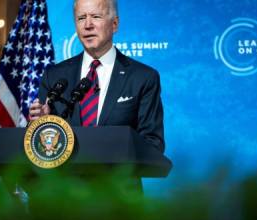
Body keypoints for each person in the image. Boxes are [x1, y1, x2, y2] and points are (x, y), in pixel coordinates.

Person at [29, 0, 164, 153]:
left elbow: (153, 143)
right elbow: (41, 145)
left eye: (96, 16)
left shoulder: (143, 77)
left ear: (114, 24)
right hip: (65, 176)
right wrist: (42, 124)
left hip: (118, 175)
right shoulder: (54, 76)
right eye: (81, 18)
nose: (87, 25)